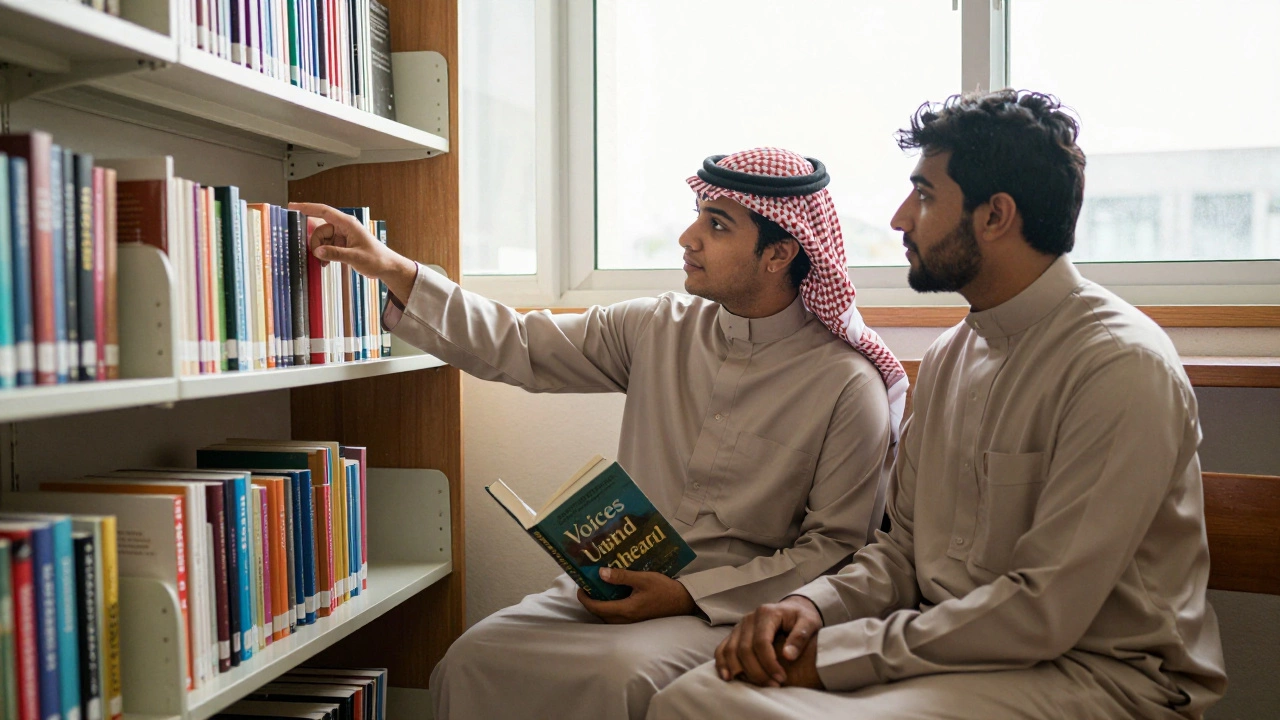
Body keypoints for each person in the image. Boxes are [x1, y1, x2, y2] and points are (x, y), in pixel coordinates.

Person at [647, 91, 1227, 720]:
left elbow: (1042, 613)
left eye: (923, 196)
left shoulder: (1118, 365)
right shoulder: (953, 354)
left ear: (996, 215)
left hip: (1102, 677)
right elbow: (903, 553)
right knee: (695, 696)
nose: (900, 218)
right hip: (954, 652)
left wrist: (838, 654)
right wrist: (809, 609)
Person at [289, 146, 908, 720]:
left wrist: (687, 596)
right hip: (607, 586)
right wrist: (389, 266)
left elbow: (836, 549)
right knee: (471, 659)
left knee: (623, 678)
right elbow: (520, 343)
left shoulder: (848, 385)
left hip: (729, 607)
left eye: (717, 225)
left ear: (780, 253)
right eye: (698, 215)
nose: (688, 237)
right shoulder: (657, 327)